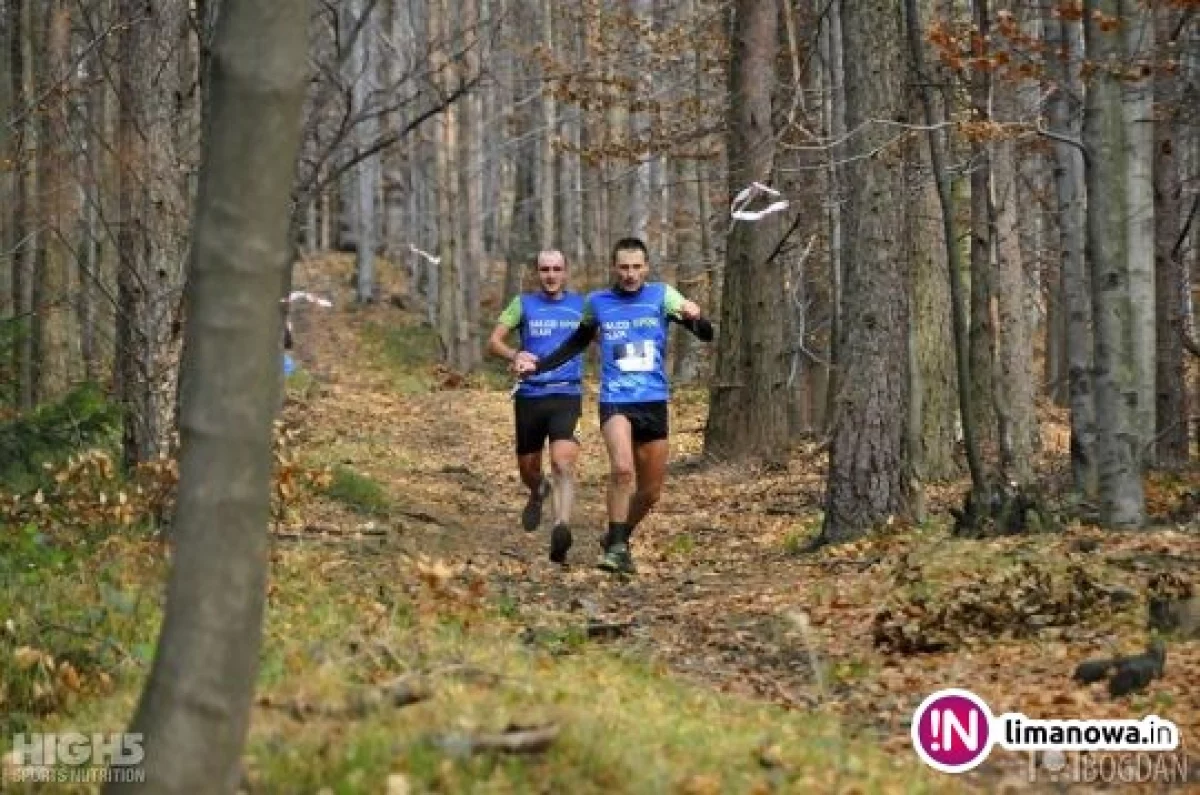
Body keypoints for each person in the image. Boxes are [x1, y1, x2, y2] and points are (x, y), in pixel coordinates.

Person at [516, 237, 714, 573]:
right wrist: (538, 366)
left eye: (636, 267)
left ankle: (615, 537)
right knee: (623, 470)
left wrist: (696, 317)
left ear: (646, 268)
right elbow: (576, 343)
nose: (630, 274)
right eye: (623, 267)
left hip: (653, 401)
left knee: (650, 494)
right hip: (616, 400)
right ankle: (619, 550)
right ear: (614, 268)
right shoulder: (597, 302)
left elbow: (706, 334)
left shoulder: (663, 296)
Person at [487, 250, 584, 564]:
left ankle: (561, 528)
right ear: (537, 273)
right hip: (530, 395)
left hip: (566, 393)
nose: (551, 275)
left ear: (566, 272)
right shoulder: (523, 304)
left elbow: (603, 337)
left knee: (563, 462)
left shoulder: (582, 306)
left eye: (557, 269)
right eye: (545, 270)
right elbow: (494, 341)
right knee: (529, 469)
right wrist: (515, 356)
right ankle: (538, 489)